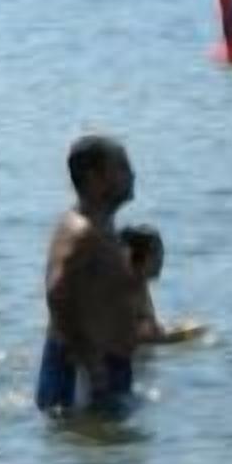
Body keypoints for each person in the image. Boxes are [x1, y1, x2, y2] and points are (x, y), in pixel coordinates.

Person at [35, 134, 146, 416]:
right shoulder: (81, 232)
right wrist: (89, 360)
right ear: (94, 177)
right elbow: (57, 293)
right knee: (89, 451)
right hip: (84, 371)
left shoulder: (101, 228)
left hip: (106, 365)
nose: (132, 174)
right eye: (121, 167)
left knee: (112, 454)